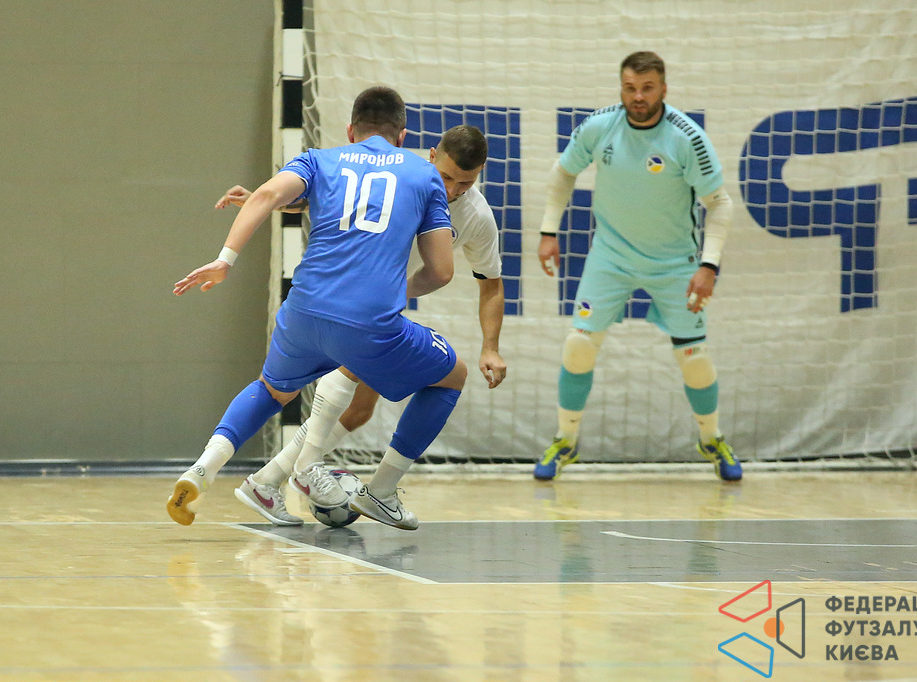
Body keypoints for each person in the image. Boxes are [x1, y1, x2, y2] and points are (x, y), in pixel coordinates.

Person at [167, 85, 468, 531]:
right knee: (452, 376)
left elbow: (265, 196)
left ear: (350, 131)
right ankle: (382, 491)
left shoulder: (319, 160)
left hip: (303, 311)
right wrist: (389, 292)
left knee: (272, 390)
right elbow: (441, 272)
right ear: (402, 136)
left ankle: (203, 468)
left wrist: (224, 260)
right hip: (369, 324)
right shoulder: (423, 175)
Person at [219, 125, 507, 526]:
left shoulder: (477, 216)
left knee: (358, 412)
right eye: (446, 177)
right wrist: (261, 200)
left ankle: (269, 479)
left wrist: (490, 346)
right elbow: (327, 199)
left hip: (380, 309)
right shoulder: (405, 176)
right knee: (400, 372)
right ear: (431, 156)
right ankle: (317, 475)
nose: (453, 189)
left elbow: (491, 283)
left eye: (466, 182)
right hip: (352, 302)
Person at [533, 51, 741, 482]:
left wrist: (709, 265)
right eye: (630, 88)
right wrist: (548, 230)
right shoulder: (600, 126)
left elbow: (720, 204)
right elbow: (563, 172)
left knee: (694, 357)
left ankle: (712, 439)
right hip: (611, 258)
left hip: (675, 264)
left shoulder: (687, 137)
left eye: (647, 88)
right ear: (621, 88)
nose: (638, 97)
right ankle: (566, 441)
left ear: (664, 89)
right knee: (578, 346)